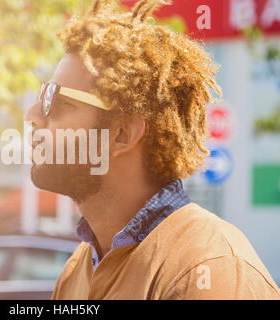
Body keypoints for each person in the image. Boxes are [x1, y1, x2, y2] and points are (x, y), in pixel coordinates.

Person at [23, 0, 280, 299]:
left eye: (57, 101)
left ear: (121, 134)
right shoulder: (78, 268)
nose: (32, 115)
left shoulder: (209, 269)